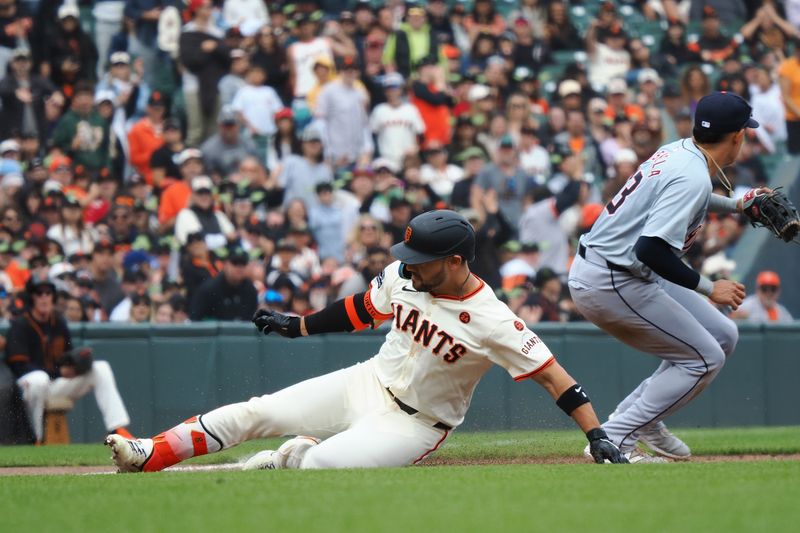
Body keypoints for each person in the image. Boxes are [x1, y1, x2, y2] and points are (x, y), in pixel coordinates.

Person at [105, 209, 626, 472]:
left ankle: (294, 456)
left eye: (421, 260)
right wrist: (299, 325)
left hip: (417, 424)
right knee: (256, 411)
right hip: (368, 381)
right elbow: (360, 309)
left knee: (320, 466)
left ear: (456, 263)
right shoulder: (405, 274)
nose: (408, 265)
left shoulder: (493, 319)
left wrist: (596, 434)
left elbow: (555, 378)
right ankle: (148, 452)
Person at [568, 92, 761, 463]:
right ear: (737, 136)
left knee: (723, 335)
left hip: (623, 270)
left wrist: (737, 205)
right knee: (703, 358)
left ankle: (646, 420)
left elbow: (689, 197)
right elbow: (650, 250)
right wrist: (710, 287)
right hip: (613, 279)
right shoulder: (690, 174)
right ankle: (615, 438)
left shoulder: (681, 150)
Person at [6, 273, 132, 443]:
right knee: (39, 379)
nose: (44, 298)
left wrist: (77, 363)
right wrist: (58, 372)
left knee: (101, 368)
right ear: (32, 298)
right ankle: (35, 439)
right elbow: (19, 366)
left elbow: (66, 356)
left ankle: (118, 429)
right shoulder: (20, 324)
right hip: (27, 387)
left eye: (48, 293)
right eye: (39, 294)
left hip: (55, 383)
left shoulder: (58, 323)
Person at [188, 246, 257, 321]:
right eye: (235, 263)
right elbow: (195, 320)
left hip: (241, 332)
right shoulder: (209, 290)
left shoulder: (250, 290)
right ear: (225, 264)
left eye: (243, 264)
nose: (239, 268)